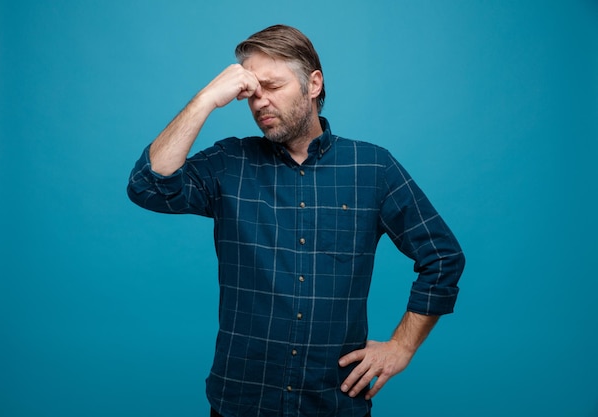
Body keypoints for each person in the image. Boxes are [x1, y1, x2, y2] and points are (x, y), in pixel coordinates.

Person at [127, 24, 465, 417]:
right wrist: (204, 100)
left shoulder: (372, 168)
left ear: (314, 84)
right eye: (251, 93)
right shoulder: (229, 163)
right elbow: (148, 186)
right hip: (241, 402)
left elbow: (442, 257)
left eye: (272, 87)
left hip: (333, 403)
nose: (259, 103)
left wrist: (402, 346)